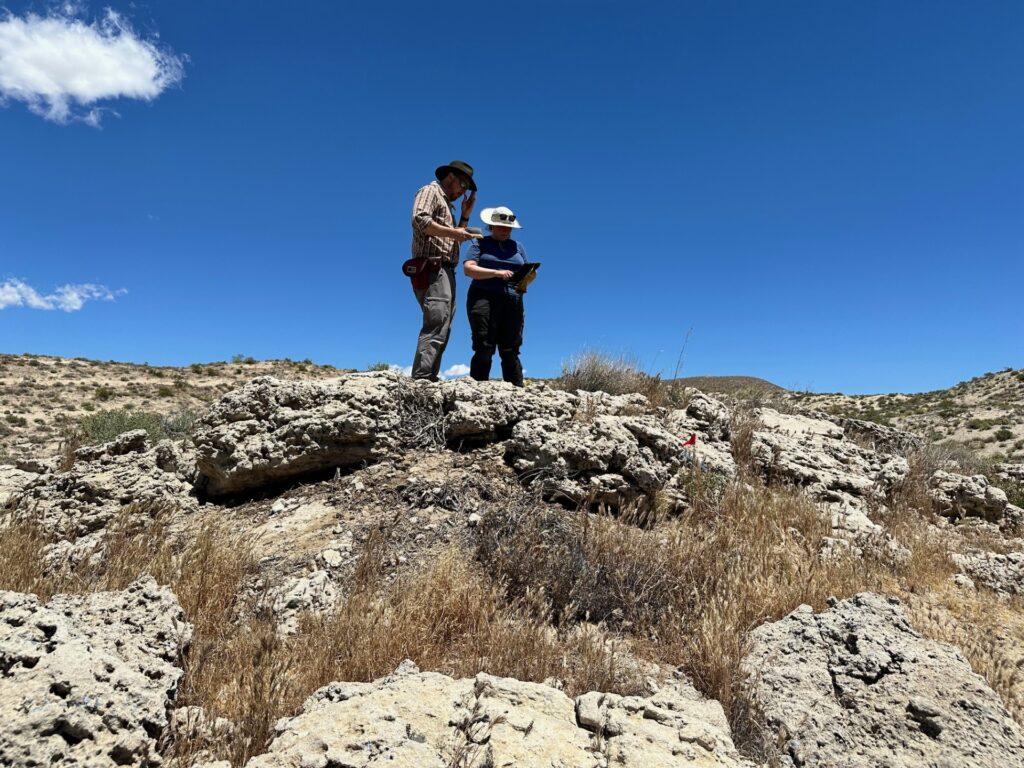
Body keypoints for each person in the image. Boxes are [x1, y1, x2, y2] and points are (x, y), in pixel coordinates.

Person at [409, 160, 477, 380]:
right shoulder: (430, 191)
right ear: (450, 177)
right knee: (437, 321)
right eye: (463, 185)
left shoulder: (448, 205)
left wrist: (464, 216)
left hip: (445, 270)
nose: (463, 192)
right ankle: (421, 378)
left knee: (444, 325)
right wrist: (454, 232)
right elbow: (420, 220)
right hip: (432, 267)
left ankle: (429, 376)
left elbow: (453, 240)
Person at [463, 206, 528, 387]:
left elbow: (524, 270)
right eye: (501, 227)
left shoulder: (517, 247)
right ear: (491, 226)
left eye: (508, 227)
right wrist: (496, 273)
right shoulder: (479, 243)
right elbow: (468, 269)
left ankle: (516, 391)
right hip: (483, 297)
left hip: (513, 300)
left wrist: (527, 278)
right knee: (484, 345)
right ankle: (478, 390)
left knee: (510, 348)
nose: (505, 230)